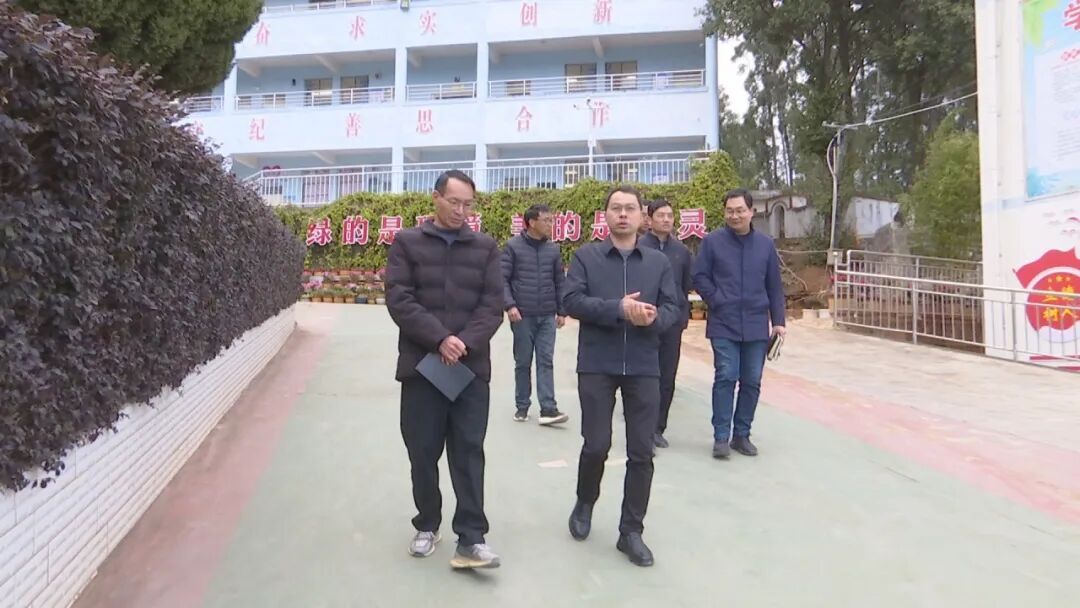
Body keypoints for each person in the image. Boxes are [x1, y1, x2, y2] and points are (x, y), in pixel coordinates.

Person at [385, 170, 504, 569]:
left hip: (470, 369)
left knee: (469, 451)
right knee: (422, 450)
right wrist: (439, 339)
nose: (461, 211)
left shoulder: (485, 247)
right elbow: (400, 299)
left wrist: (463, 343)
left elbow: (492, 304)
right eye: (454, 202)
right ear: (435, 198)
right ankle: (427, 523)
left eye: (468, 204)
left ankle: (472, 537)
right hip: (423, 368)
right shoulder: (407, 243)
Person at [563, 185, 680, 567]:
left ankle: (631, 531)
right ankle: (585, 500)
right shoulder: (587, 257)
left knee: (641, 451)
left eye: (630, 208)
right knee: (596, 444)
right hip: (597, 362)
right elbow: (571, 301)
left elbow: (673, 307)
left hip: (644, 365)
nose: (624, 214)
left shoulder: (657, 263)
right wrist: (618, 309)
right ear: (606, 216)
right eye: (616, 208)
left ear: (642, 216)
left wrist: (652, 319)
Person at [691, 188, 786, 459]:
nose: (735, 216)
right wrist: (717, 299)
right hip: (724, 322)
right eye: (730, 211)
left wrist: (778, 321)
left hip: (756, 323)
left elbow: (774, 286)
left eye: (740, 210)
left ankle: (742, 435)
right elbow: (699, 276)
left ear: (751, 212)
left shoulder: (765, 245)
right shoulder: (712, 242)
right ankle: (721, 437)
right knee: (726, 375)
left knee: (752, 380)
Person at [501, 203, 570, 426]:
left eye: (552, 220)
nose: (551, 224)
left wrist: (562, 310)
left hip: (547, 315)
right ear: (531, 222)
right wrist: (510, 305)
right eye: (546, 220)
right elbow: (502, 279)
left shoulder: (553, 249)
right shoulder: (513, 247)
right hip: (522, 315)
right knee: (523, 362)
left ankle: (548, 408)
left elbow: (559, 282)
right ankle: (522, 405)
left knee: (545, 361)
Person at [639, 200, 694, 449]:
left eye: (670, 215)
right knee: (644, 377)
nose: (666, 220)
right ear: (649, 220)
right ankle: (643, 428)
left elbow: (686, 284)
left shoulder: (681, 251)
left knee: (667, 376)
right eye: (660, 215)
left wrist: (679, 314)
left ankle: (658, 428)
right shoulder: (639, 247)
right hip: (643, 319)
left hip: (672, 323)